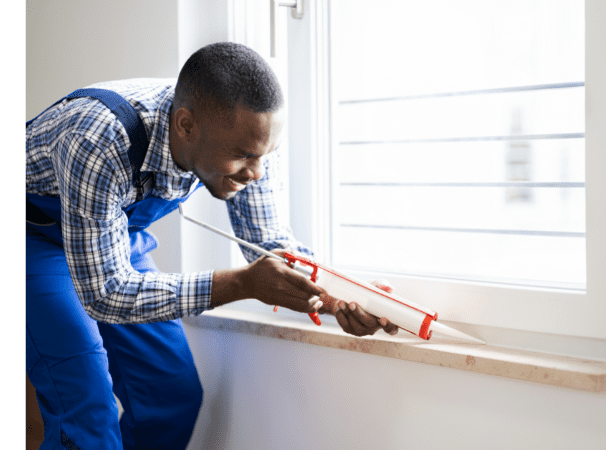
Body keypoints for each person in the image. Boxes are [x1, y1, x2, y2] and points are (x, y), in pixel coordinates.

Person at [25, 42, 397, 450]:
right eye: (243, 156)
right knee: (85, 408)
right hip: (28, 238)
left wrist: (341, 295)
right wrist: (241, 284)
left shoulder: (238, 130)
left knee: (170, 396)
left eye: (265, 156)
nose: (256, 172)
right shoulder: (98, 137)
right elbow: (106, 294)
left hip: (112, 235)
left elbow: (269, 246)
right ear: (185, 126)